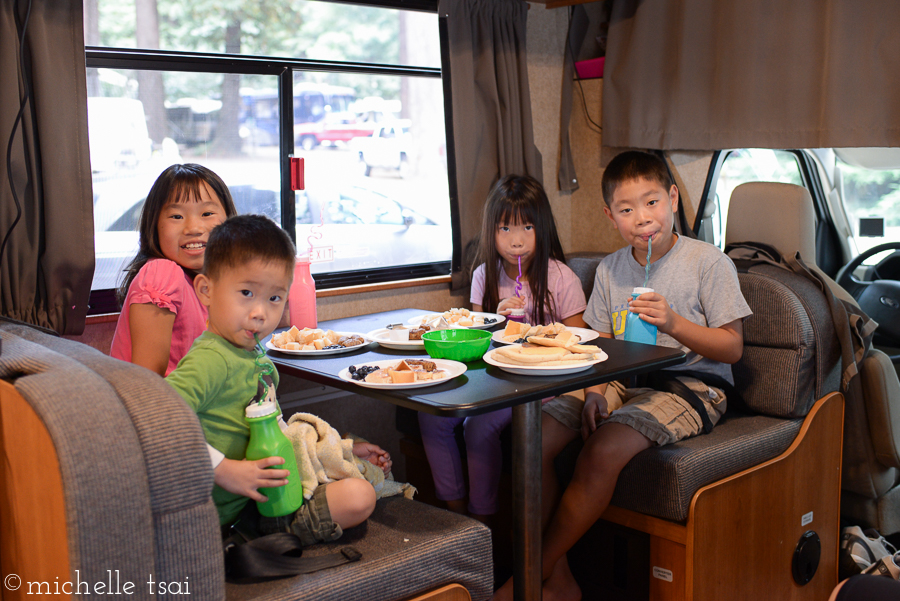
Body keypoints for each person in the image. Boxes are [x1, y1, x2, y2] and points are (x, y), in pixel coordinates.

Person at [494, 151, 752, 600]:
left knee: (601, 450)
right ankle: (563, 582)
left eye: (651, 203)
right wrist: (593, 392)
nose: (642, 218)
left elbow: (731, 347)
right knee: (532, 441)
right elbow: (597, 343)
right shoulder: (611, 269)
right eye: (627, 209)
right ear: (611, 216)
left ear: (672, 198)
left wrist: (673, 323)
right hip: (619, 378)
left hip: (691, 384)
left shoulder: (708, 263)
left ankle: (531, 577)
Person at [166, 214, 385, 544]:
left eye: (274, 298)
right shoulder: (210, 358)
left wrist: (340, 451)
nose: (260, 313)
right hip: (227, 516)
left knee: (360, 488)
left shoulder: (258, 358)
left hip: (265, 498)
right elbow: (155, 417)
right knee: (359, 497)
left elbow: (278, 432)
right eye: (246, 292)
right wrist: (222, 469)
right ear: (206, 290)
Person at [418, 175, 588, 524]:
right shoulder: (484, 275)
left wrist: (538, 331)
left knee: (479, 427)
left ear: (542, 227)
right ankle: (456, 516)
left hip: (542, 384)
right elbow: (476, 339)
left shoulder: (561, 279)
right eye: (505, 229)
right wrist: (496, 320)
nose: (517, 241)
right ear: (491, 231)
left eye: (527, 227)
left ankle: (484, 521)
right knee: (430, 414)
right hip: (493, 376)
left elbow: (579, 343)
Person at [110, 163, 237, 376]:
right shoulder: (162, 273)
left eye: (207, 213)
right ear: (154, 225)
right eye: (176, 216)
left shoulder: (211, 283)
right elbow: (149, 382)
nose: (194, 228)